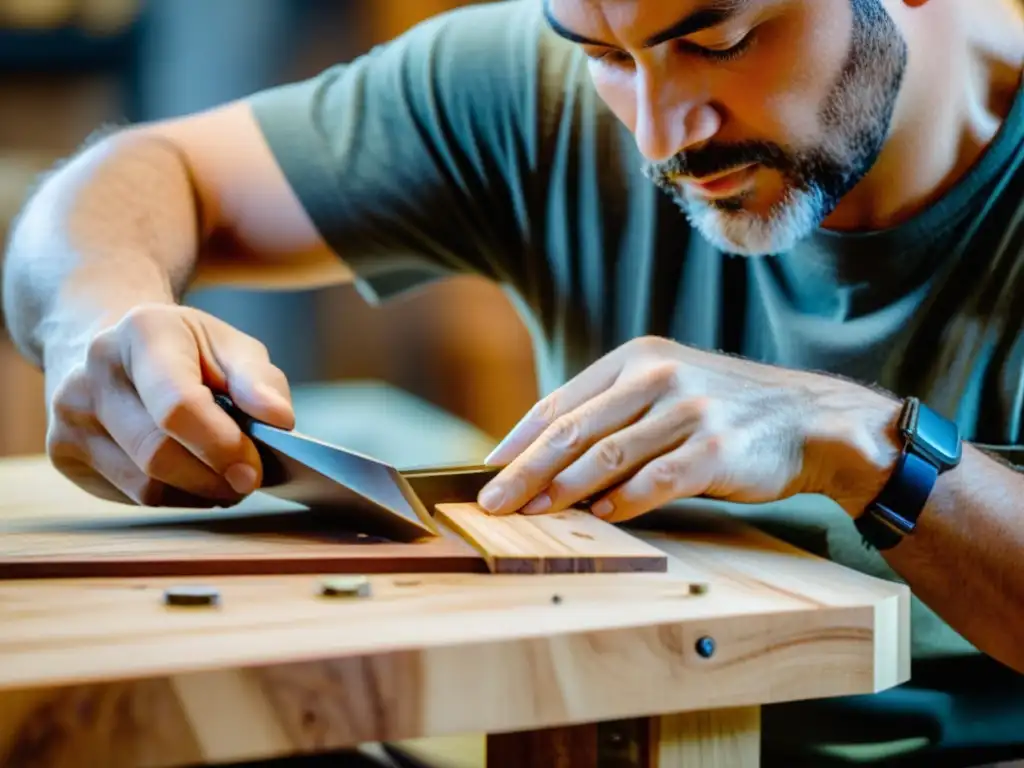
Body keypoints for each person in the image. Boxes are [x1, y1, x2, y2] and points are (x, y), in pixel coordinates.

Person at [3, 0, 1024, 763]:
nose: (660, 134)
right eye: (604, 57)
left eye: (715, 40)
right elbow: (136, 181)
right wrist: (96, 320)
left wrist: (861, 442)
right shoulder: (529, 93)